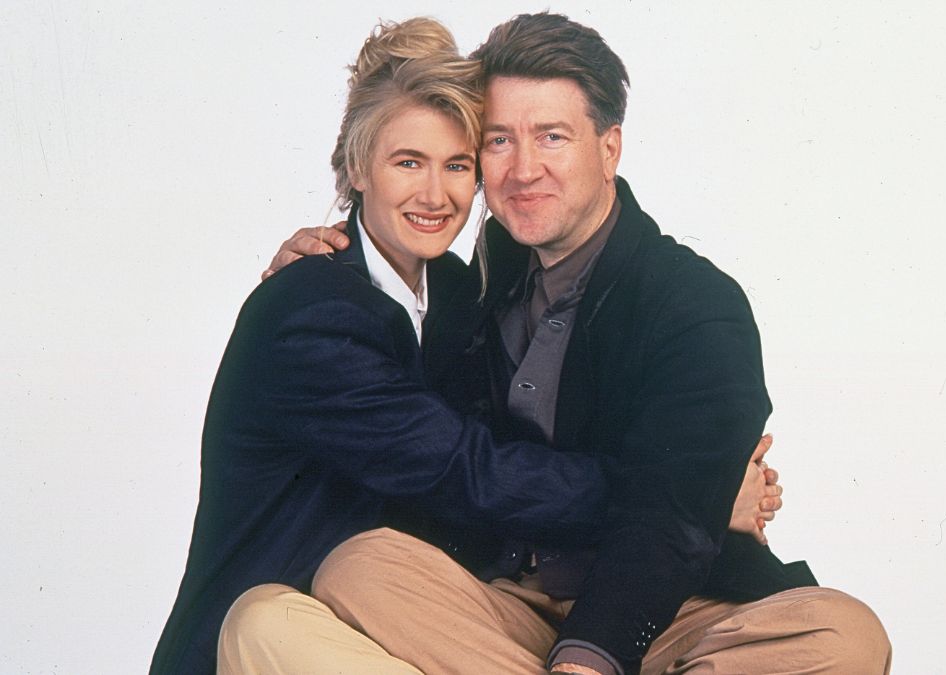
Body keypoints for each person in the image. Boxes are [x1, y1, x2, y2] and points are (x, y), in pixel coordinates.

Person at [249, 12, 890, 675]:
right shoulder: (474, 277)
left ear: (608, 148)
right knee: (360, 567)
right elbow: (438, 446)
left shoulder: (695, 304)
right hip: (505, 609)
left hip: (670, 611)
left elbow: (667, 527)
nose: (524, 169)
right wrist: (334, 259)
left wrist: (588, 659)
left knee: (843, 634)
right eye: (499, 140)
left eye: (551, 136)